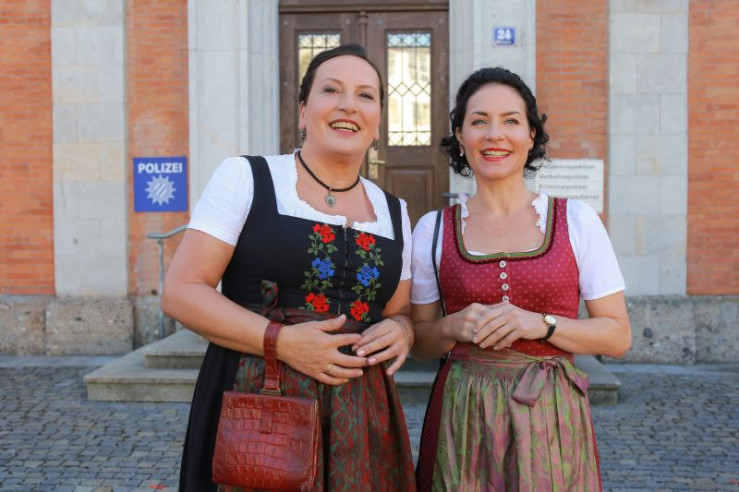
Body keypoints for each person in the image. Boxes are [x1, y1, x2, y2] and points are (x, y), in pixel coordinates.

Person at [162, 44, 417, 491]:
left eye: (365, 95)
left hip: (361, 416)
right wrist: (280, 341)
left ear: (378, 121)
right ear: (303, 111)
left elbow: (399, 312)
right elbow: (182, 291)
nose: (348, 105)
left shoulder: (394, 211)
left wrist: (402, 330)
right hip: (259, 403)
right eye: (331, 90)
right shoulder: (247, 177)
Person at [410, 67, 631, 491]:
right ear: (460, 136)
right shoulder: (432, 230)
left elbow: (617, 336)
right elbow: (419, 344)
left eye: (511, 121)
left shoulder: (577, 220)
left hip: (550, 414)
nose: (495, 135)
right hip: (462, 418)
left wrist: (541, 324)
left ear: (531, 135)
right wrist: (451, 326)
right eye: (479, 121)